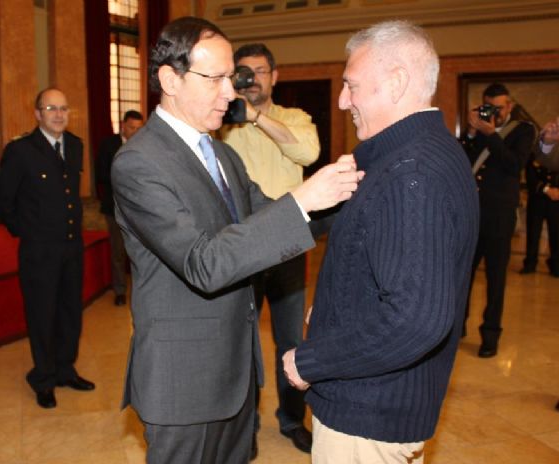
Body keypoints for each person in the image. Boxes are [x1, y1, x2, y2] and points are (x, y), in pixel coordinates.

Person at [111, 16, 364, 464]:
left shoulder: (222, 153)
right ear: (170, 78)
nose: (230, 93)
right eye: (216, 79)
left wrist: (356, 194)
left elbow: (272, 215)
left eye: (232, 78)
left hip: (235, 371)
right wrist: (303, 198)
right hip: (183, 383)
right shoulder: (138, 163)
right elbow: (203, 264)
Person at [282, 20, 479, 463]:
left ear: (396, 83)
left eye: (351, 85)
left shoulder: (410, 172)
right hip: (378, 403)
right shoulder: (423, 152)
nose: (342, 100)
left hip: (368, 414)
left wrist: (310, 361)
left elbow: (416, 320)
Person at [220, 43, 319, 456]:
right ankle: (245, 423)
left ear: (274, 76)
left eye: (260, 71)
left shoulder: (294, 118)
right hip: (242, 247)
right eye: (244, 72)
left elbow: (308, 153)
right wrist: (235, 111)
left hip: (289, 246)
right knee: (239, 341)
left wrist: (258, 116)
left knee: (291, 339)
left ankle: (293, 418)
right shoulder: (222, 122)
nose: (253, 79)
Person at [0, 88, 95, 409]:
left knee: (69, 312)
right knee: (42, 315)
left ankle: (65, 369)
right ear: (37, 114)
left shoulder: (75, 145)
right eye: (51, 108)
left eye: (63, 108)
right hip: (39, 251)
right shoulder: (21, 151)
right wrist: (27, 232)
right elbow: (4, 200)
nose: (58, 114)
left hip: (71, 246)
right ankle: (44, 377)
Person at [460, 83, 535, 357]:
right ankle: (458, 327)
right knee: (463, 276)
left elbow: (514, 165)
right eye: (489, 106)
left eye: (500, 107)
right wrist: (470, 132)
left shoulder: (523, 131)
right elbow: (464, 162)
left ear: (510, 106)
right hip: (472, 216)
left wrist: (491, 134)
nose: (495, 112)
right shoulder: (479, 131)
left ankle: (490, 335)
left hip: (500, 218)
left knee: (495, 280)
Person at [96, 110, 144, 306]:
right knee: (118, 252)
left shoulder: (145, 145)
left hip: (140, 209)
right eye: (132, 128)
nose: (135, 132)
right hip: (114, 207)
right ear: (123, 125)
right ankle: (120, 290)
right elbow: (100, 174)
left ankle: (140, 291)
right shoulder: (108, 145)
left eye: (139, 129)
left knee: (139, 252)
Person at [521, 116, 559, 277]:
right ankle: (531, 262)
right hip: (539, 197)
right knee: (533, 233)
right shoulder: (543, 147)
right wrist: (547, 143)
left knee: (557, 234)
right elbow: (540, 165)